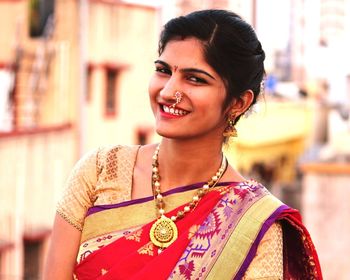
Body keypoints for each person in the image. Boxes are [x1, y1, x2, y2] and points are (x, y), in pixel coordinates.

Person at [44, 9, 322, 280]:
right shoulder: (99, 172)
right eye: (164, 71)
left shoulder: (256, 227)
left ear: (238, 103)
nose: (167, 92)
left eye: (194, 79)